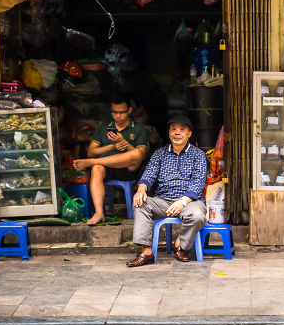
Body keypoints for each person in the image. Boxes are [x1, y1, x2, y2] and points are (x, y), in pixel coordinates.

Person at [126, 116, 208, 267]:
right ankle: (146, 251)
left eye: (182, 129)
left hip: (190, 201)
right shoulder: (159, 154)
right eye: (173, 129)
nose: (177, 132)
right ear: (169, 133)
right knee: (139, 203)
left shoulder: (198, 155)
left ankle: (181, 245)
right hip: (163, 201)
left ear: (189, 134)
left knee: (197, 215)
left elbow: (198, 182)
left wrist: (183, 201)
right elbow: (148, 174)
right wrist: (141, 189)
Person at [74, 95, 148, 225]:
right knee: (97, 168)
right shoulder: (103, 128)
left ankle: (92, 163)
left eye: (122, 112)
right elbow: (91, 152)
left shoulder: (138, 129)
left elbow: (141, 155)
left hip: (127, 169)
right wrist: (112, 146)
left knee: (136, 154)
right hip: (106, 169)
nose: (118, 115)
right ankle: (99, 213)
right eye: (115, 112)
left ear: (129, 111)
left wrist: (123, 142)